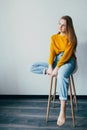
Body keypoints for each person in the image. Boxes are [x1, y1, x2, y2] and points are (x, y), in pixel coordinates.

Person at [46, 15, 77, 126]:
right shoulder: (54, 37)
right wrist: (50, 67)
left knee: (61, 75)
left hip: (69, 61)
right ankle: (47, 71)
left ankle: (62, 111)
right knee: (33, 66)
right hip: (57, 61)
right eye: (59, 23)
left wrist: (57, 68)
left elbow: (66, 56)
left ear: (68, 27)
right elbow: (52, 54)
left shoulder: (71, 38)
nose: (60, 26)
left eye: (63, 25)